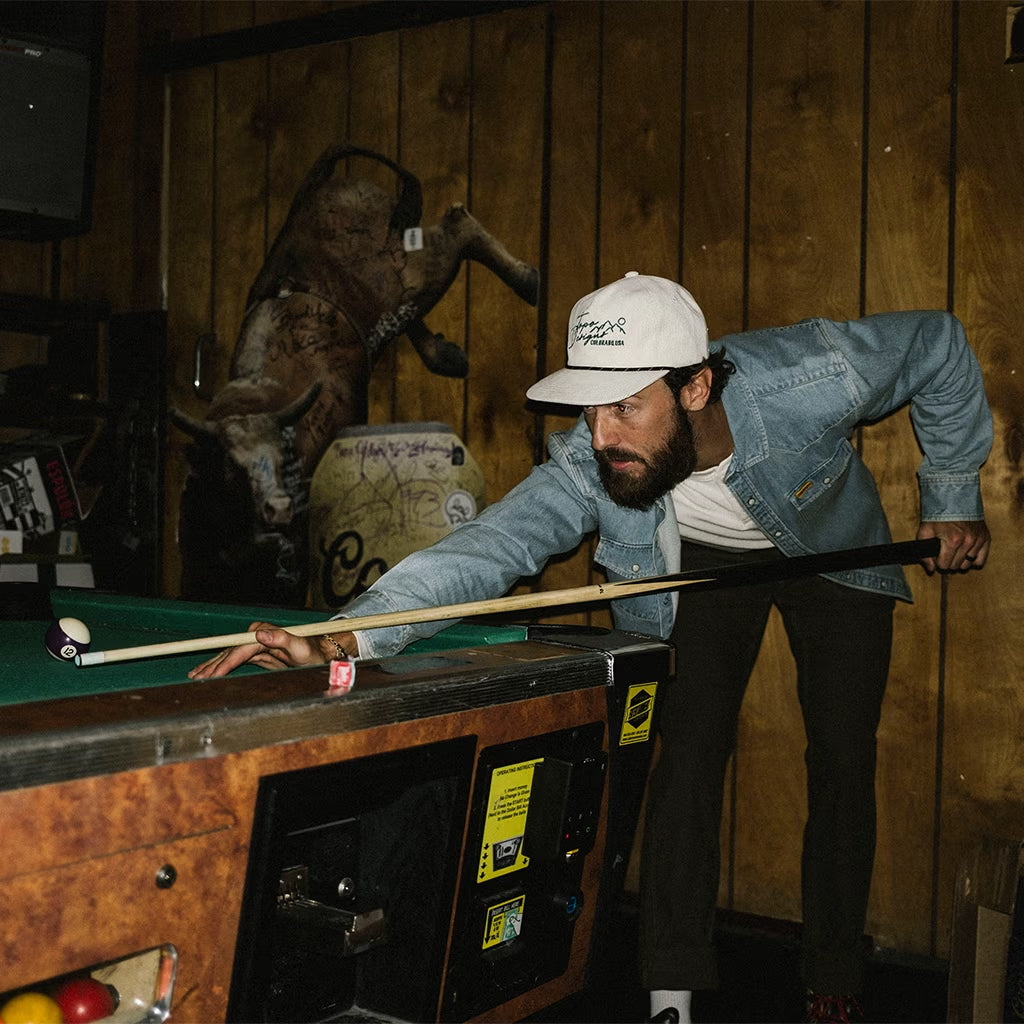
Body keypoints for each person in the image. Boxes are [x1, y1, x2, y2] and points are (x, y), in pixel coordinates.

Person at [192, 272, 992, 1024]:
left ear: (696, 387)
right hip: (697, 561)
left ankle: (834, 976)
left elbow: (938, 343)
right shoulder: (594, 457)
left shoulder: (810, 375)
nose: (602, 435)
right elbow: (489, 547)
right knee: (686, 755)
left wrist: (953, 494)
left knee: (843, 755)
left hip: (830, 542)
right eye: (592, 408)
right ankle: (672, 992)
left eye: (627, 408)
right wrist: (345, 636)